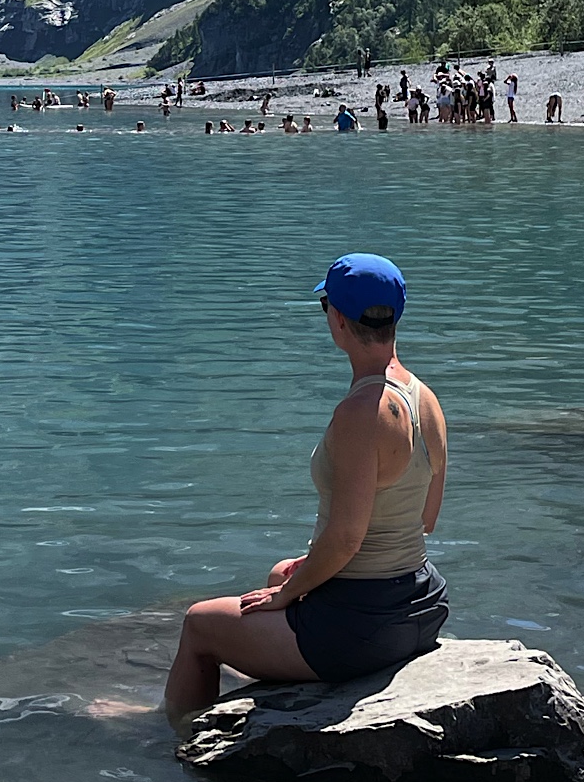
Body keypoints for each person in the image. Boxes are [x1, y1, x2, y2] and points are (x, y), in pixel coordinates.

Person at [162, 254, 449, 721]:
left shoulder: (361, 414)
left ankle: (170, 734)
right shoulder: (424, 398)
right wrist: (298, 578)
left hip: (368, 626)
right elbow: (426, 518)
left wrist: (288, 597)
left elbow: (347, 539)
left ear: (337, 319)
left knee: (198, 625)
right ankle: (261, 679)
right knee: (281, 572)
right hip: (422, 601)